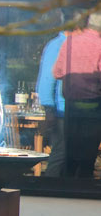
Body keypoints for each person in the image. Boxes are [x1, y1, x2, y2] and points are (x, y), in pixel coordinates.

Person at [53, 12, 101, 178]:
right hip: (94, 108)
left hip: (71, 107)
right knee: (87, 159)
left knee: (70, 158)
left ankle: (67, 193)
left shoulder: (69, 42)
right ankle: (83, 195)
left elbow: (57, 73)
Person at [35, 29, 68, 176]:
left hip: (75, 110)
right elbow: (47, 80)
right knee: (60, 154)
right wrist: (49, 108)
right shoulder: (57, 44)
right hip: (61, 111)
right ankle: (50, 189)